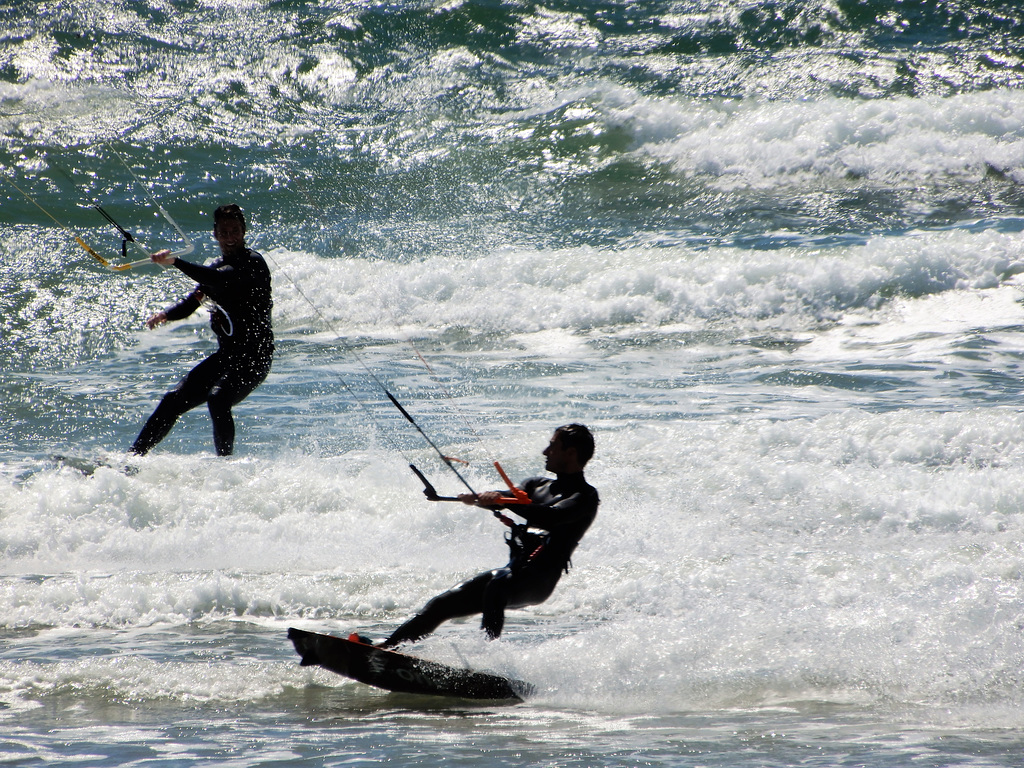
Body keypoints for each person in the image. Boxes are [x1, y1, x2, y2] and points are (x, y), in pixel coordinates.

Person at [377, 424, 599, 648]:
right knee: (441, 604)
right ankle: (386, 649)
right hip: (512, 573)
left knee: (497, 586)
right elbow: (507, 497)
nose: (545, 452)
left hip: (538, 581)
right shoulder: (536, 484)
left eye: (552, 446)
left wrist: (503, 501)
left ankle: (487, 658)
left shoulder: (585, 496)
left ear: (571, 453)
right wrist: (483, 498)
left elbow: (551, 517)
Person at [130, 204, 273, 457]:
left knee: (218, 399)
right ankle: (130, 460)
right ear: (215, 233)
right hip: (228, 357)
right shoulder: (217, 267)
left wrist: (175, 262)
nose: (230, 237)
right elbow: (190, 304)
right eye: (224, 231)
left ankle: (225, 467)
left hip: (254, 357)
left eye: (235, 231)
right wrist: (165, 315)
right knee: (172, 401)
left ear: (244, 232)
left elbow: (219, 279)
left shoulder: (252, 264)